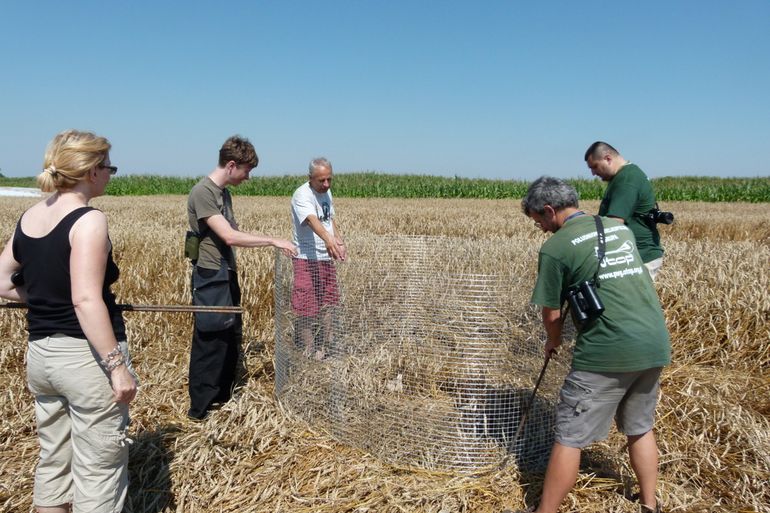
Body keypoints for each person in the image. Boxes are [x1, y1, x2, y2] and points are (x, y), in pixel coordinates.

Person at [513, 176, 670, 513]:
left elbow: (551, 313)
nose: (540, 228)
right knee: (640, 428)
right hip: (654, 342)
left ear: (550, 210)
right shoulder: (618, 229)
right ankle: (648, 503)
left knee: (569, 436)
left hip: (608, 351)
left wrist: (552, 343)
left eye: (538, 220)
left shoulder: (555, 248)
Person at [0, 130, 138, 513]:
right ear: (92, 171)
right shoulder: (89, 220)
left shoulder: (32, 215)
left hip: (41, 357)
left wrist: (43, 300)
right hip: (84, 360)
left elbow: (1, 281)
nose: (111, 174)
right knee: (98, 473)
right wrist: (117, 366)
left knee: (54, 466)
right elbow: (85, 298)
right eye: (109, 166)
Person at [186, 135, 296, 420]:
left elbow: (233, 229)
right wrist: (273, 241)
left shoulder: (224, 194)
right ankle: (200, 410)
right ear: (232, 165)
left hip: (225, 272)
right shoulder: (204, 192)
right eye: (247, 170)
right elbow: (229, 235)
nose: (247, 177)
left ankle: (222, 400)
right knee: (211, 339)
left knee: (230, 336)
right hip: (210, 275)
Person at [290, 157, 346, 359]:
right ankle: (309, 349)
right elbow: (312, 221)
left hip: (326, 257)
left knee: (328, 301)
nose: (326, 184)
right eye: (321, 180)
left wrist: (337, 240)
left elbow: (329, 218)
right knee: (306, 305)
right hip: (306, 258)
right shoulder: (302, 195)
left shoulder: (326, 192)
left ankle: (326, 344)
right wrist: (328, 240)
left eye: (329, 179)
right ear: (310, 178)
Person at [584, 141, 665, 280]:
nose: (593, 173)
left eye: (595, 167)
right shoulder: (623, 176)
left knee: (632, 301)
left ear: (608, 158)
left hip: (638, 257)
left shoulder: (627, 179)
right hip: (632, 256)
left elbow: (614, 223)